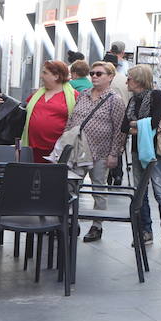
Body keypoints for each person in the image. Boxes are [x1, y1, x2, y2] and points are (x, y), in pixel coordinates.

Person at [67, 62, 127, 242]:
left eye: (99, 73)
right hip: (78, 151)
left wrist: (114, 153)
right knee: (71, 187)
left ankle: (97, 226)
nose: (94, 76)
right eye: (92, 73)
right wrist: (66, 138)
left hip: (101, 152)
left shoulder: (114, 100)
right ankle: (70, 221)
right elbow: (71, 119)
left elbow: (119, 129)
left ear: (110, 77)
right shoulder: (83, 95)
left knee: (98, 189)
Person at [123, 64, 161, 248]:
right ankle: (145, 231)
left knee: (160, 192)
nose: (126, 82)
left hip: (156, 151)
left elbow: (154, 122)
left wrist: (136, 125)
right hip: (137, 151)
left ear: (139, 80)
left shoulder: (157, 96)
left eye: (129, 78)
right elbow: (124, 126)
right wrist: (139, 125)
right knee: (140, 193)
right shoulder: (132, 101)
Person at [23, 61, 77, 165]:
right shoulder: (37, 94)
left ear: (56, 76)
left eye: (45, 73)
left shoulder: (74, 96)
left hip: (57, 151)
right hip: (32, 148)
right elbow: (23, 109)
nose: (41, 76)